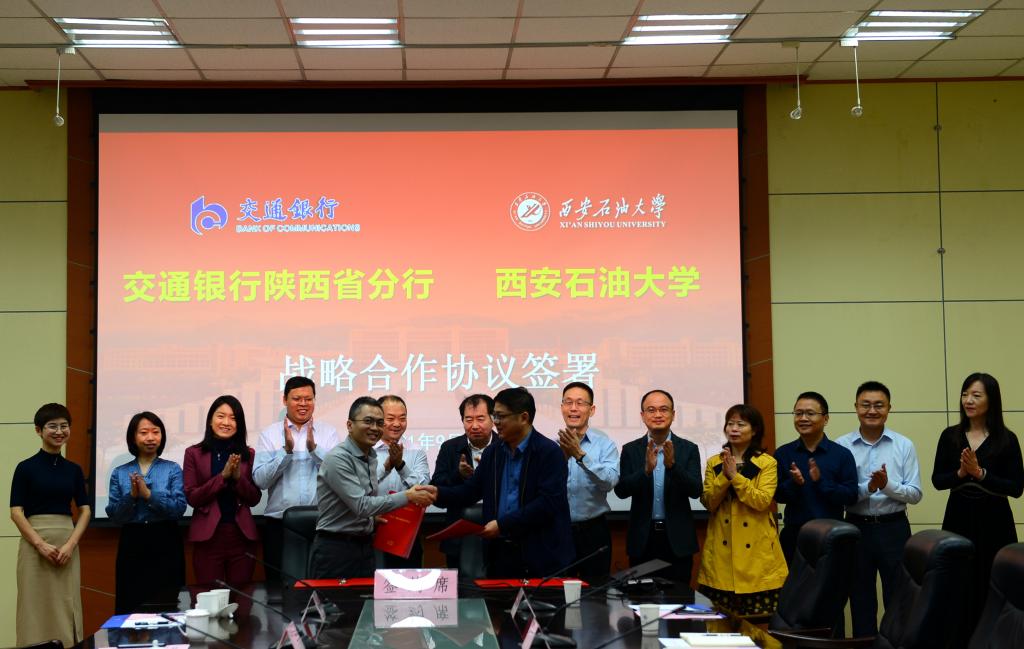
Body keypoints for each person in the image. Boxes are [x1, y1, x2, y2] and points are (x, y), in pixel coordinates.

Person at [431, 387, 574, 577]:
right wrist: (437, 493)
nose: (496, 422)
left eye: (501, 416)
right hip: (499, 552)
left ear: (523, 417)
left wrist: (503, 525)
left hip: (540, 554)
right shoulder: (494, 452)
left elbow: (547, 504)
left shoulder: (549, 452)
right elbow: (471, 490)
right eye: (494, 416)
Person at [933, 372, 1024, 641]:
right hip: (958, 517)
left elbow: (1016, 488)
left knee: (992, 583)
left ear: (991, 400)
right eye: (965, 394)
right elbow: (938, 481)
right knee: (957, 583)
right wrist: (961, 473)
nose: (968, 400)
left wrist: (980, 473)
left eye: (976, 395)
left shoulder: (1006, 439)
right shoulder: (950, 436)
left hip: (994, 520)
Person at [311, 396, 436, 578]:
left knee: (372, 596)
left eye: (379, 423)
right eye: (368, 421)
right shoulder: (338, 458)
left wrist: (390, 467)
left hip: (365, 545)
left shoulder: (370, 457)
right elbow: (362, 505)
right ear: (350, 425)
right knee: (336, 597)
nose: (375, 428)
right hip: (337, 548)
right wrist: (408, 496)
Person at [836, 381, 922, 636]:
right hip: (855, 528)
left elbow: (915, 494)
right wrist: (870, 487)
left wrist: (887, 485)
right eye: (866, 405)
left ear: (889, 409)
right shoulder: (841, 446)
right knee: (860, 597)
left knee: (898, 597)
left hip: (893, 528)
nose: (872, 411)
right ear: (856, 407)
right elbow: (840, 495)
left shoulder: (903, 445)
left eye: (878, 405)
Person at [10, 403, 91, 647]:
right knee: (33, 604)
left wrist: (71, 545)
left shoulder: (74, 470)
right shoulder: (25, 468)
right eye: (52, 426)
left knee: (66, 603)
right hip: (34, 544)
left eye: (64, 426)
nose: (59, 431)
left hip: (66, 544)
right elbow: (16, 512)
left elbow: (85, 510)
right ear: (38, 430)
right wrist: (40, 545)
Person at [697, 405, 787, 615]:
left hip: (756, 553)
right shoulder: (714, 462)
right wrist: (724, 475)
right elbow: (709, 502)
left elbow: (762, 501)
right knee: (717, 620)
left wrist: (735, 477)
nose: (734, 429)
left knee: (758, 621)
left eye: (741, 424)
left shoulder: (767, 463)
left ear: (754, 430)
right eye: (730, 424)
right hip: (722, 553)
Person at [253, 376, 339, 585]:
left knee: (322, 587)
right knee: (278, 589)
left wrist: (315, 450)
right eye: (297, 398)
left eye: (308, 399)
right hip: (279, 526)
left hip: (322, 525)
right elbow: (260, 481)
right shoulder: (269, 434)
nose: (303, 404)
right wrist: (286, 452)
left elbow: (339, 477)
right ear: (285, 400)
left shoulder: (329, 433)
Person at [614, 389, 702, 585]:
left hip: (678, 541)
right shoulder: (631, 450)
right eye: (651, 410)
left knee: (679, 597)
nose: (658, 415)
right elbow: (621, 491)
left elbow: (696, 490)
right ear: (642, 415)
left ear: (673, 414)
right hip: (643, 540)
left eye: (664, 409)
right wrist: (645, 471)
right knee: (642, 598)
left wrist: (673, 467)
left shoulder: (688, 448)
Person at [106, 411, 187, 613]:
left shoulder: (172, 469)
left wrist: (149, 495)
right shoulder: (120, 472)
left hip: (166, 539)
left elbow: (179, 509)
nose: (150, 438)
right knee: (130, 603)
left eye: (155, 432)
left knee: (167, 603)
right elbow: (115, 516)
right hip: (132, 542)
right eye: (144, 433)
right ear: (133, 437)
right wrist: (132, 496)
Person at [183, 395, 262, 586]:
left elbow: (254, 498)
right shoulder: (193, 453)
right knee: (209, 596)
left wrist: (237, 479)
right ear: (210, 420)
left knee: (242, 597)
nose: (226, 422)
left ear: (239, 425)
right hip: (208, 537)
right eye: (221, 416)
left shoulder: (248, 454)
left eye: (233, 418)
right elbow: (192, 497)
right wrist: (222, 478)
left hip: (241, 536)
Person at [774, 391, 858, 564]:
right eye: (798, 413)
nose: (803, 418)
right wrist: (794, 483)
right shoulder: (783, 453)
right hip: (794, 537)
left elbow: (851, 496)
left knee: (835, 582)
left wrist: (821, 482)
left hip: (833, 536)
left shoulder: (841, 454)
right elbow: (777, 496)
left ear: (825, 419)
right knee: (793, 582)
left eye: (810, 413)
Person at [557, 381, 619, 581]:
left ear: (591, 410)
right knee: (557, 590)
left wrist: (581, 456)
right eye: (568, 403)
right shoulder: (550, 447)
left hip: (594, 531)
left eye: (580, 403)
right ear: (562, 408)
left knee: (596, 591)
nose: (573, 408)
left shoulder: (605, 445)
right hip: (558, 530)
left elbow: (609, 482)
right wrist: (562, 458)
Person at [431, 394, 498, 569]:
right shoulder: (450, 448)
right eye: (468, 420)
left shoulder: (504, 446)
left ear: (493, 419)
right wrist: (458, 475)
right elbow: (437, 490)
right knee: (460, 584)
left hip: (497, 533)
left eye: (480, 419)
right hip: (458, 535)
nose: (474, 426)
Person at [374, 394, 431, 568]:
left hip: (406, 533)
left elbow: (424, 490)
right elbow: (359, 486)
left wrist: (401, 466)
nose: (397, 424)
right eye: (390, 418)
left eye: (402, 418)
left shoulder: (416, 451)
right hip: (370, 529)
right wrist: (386, 467)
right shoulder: (365, 450)